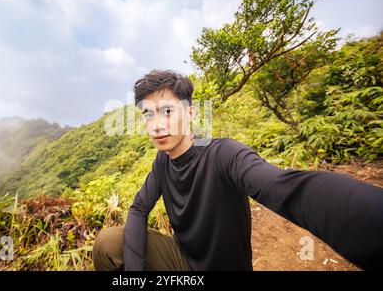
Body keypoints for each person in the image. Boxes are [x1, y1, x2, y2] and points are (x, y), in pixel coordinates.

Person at [92, 70, 383, 271]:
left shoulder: (223, 154)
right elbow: (140, 207)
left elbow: (283, 187)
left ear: (190, 113)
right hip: (184, 266)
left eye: (167, 111)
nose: (156, 124)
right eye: (148, 114)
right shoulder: (162, 162)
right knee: (109, 243)